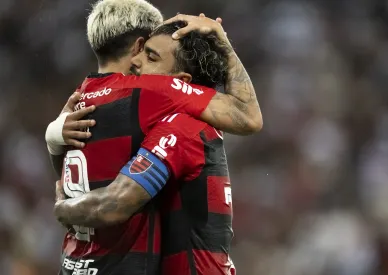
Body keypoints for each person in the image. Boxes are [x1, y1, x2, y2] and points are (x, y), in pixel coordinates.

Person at [45, 1, 260, 275]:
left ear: (181, 80)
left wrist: (61, 205)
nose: (137, 62)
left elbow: (115, 203)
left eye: (152, 57)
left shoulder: (85, 98)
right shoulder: (152, 106)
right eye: (143, 52)